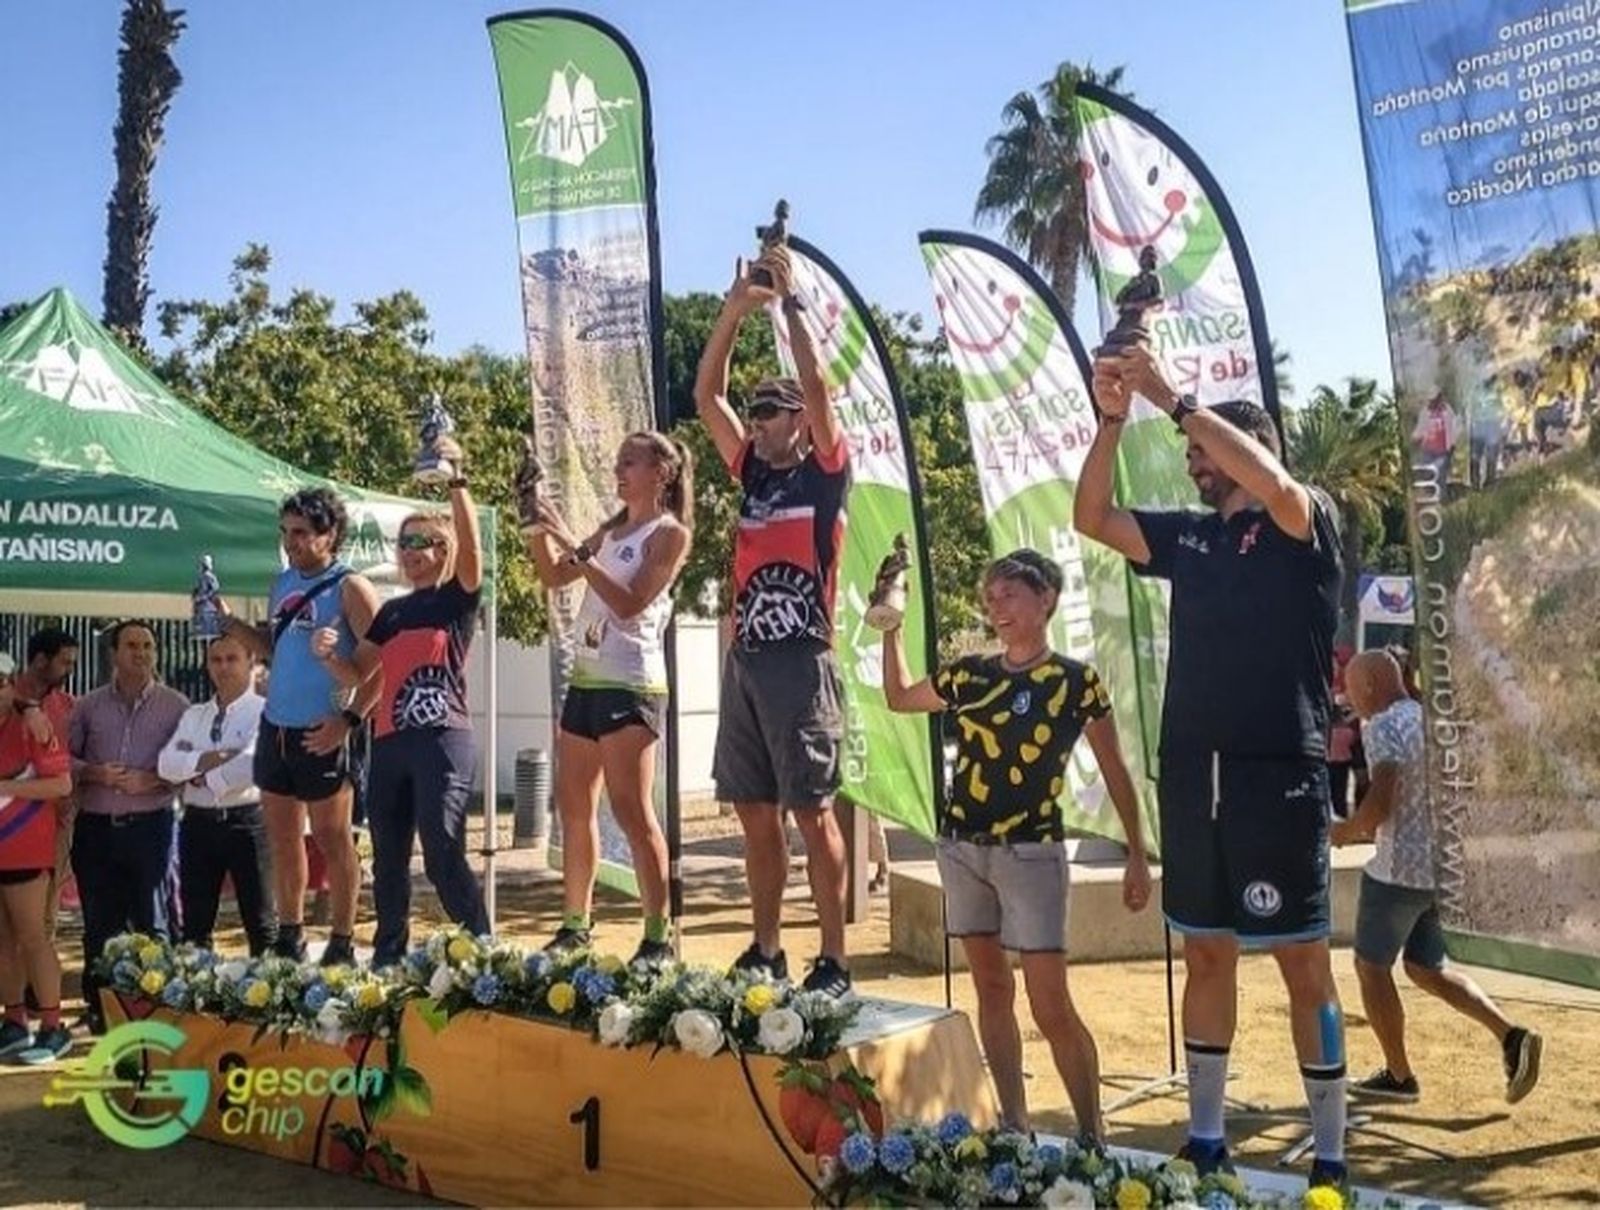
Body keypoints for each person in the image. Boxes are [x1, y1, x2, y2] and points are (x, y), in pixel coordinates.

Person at [1075, 348, 1348, 1192]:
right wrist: (1114, 418)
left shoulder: (1303, 518)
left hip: (1280, 776)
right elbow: (1093, 516)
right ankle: (1205, 1137)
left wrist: (1172, 396)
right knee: (1205, 955)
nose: (1193, 462)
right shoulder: (1190, 534)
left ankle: (1332, 1151)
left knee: (1305, 963)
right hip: (1195, 774)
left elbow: (1273, 484)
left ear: (1245, 444)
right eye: (1191, 453)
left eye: (1205, 451)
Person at [883, 550, 1150, 1142]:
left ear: (1045, 599)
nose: (996, 606)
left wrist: (1136, 850)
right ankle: (1015, 1124)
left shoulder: (1074, 681)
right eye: (991, 596)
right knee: (990, 989)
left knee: (1049, 1001)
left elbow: (1113, 767)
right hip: (962, 848)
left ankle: (1091, 1133)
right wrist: (890, 626)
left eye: (1009, 595)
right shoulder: (970, 674)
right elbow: (900, 697)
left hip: (1032, 852)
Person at [693, 245, 854, 997]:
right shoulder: (752, 471)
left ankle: (834, 958)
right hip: (747, 659)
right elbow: (704, 398)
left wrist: (789, 304)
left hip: (801, 659)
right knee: (756, 814)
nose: (755, 423)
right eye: (753, 412)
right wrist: (733, 309)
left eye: (770, 412)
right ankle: (768, 948)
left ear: (798, 420)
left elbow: (819, 384)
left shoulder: (823, 473)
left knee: (814, 814)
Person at [1332, 650, 1542, 1105]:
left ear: (1369, 685)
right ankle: (1511, 1036)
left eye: (1350, 687)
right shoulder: (1430, 720)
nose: (1347, 697)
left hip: (1399, 869)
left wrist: (1345, 832)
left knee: (1371, 967)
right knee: (1427, 968)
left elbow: (1382, 800)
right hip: (1442, 869)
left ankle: (1399, 1075)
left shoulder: (1383, 726)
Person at [316, 440, 488, 967]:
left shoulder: (456, 598)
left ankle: (480, 948)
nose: (410, 551)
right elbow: (358, 673)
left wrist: (456, 481)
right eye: (404, 542)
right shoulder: (390, 613)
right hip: (389, 743)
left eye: (423, 541)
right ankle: (388, 957)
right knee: (388, 859)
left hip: (443, 741)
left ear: (442, 550)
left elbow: (474, 552)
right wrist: (328, 657)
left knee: (441, 850)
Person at [523, 431, 693, 966]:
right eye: (618, 462)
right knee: (574, 806)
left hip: (632, 684)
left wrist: (575, 542)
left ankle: (657, 935)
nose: (618, 471)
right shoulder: (613, 527)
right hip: (587, 681)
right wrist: (535, 523)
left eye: (629, 462)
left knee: (631, 810)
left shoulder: (669, 534)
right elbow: (555, 575)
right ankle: (576, 924)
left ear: (661, 473)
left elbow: (628, 602)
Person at [221, 488, 379, 966]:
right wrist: (227, 622)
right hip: (277, 728)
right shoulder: (282, 582)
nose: (291, 542)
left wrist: (347, 721)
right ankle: (290, 935)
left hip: (323, 728)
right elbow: (274, 648)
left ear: (329, 535)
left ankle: (342, 939)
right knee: (283, 838)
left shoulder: (351, 587)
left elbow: (381, 667)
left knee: (333, 839)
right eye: (286, 533)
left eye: (302, 533)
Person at [68, 621, 188, 1031]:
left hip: (151, 828)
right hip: (96, 831)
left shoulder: (177, 707)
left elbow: (187, 767)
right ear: (113, 654)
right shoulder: (87, 707)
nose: (142, 653)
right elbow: (62, 762)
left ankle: (160, 1009)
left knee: (153, 922)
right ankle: (102, 1011)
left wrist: (152, 779)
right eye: (132, 645)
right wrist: (96, 773)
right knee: (101, 926)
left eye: (149, 646)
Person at [157, 633, 275, 956]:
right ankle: (196, 999)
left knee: (261, 920)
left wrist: (196, 770)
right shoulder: (195, 715)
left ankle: (265, 1001)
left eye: (232, 658)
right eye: (216, 660)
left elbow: (253, 764)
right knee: (195, 925)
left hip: (248, 822)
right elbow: (167, 764)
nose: (223, 667)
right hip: (198, 824)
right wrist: (220, 757)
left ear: (252, 662)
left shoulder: (266, 712)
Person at [0, 652, 74, 1061]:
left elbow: (61, 784)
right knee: (2, 942)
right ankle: (13, 1023)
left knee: (33, 938)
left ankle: (52, 1026)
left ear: (11, 684)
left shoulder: (34, 727)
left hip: (26, 848)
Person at [13, 628, 79, 950]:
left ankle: (35, 995)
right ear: (40, 660)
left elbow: (74, 761)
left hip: (52, 826)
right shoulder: (6, 693)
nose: (70, 671)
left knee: (43, 918)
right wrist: (26, 706)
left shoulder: (66, 705)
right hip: (7, 826)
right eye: (65, 663)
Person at [1411, 392, 1458, 481]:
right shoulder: (1425, 411)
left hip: (1442, 451)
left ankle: (1442, 494)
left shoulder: (1447, 411)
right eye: (1431, 400)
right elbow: (1420, 427)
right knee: (1427, 476)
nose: (1432, 403)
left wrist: (1453, 443)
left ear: (1439, 399)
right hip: (1427, 450)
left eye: (1435, 400)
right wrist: (1415, 437)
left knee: (1440, 475)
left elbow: (1454, 428)